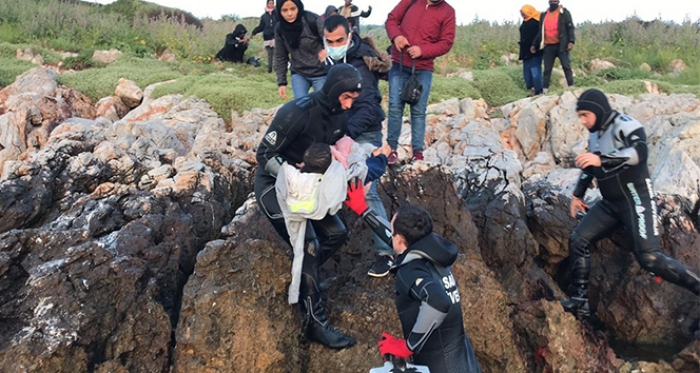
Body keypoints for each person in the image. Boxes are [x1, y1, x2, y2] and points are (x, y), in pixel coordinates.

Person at [562, 88, 700, 317]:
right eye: (580, 116)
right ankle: (579, 301)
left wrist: (601, 158)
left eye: (585, 115)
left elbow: (640, 154)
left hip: (636, 201)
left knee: (650, 258)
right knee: (578, 240)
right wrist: (577, 196)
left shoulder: (626, 125)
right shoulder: (595, 134)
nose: (582, 121)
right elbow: (589, 167)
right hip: (609, 204)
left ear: (598, 111)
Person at [255, 64, 363, 350]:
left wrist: (346, 153)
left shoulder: (341, 112)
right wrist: (294, 177)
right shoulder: (297, 112)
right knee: (311, 245)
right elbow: (263, 153)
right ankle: (316, 323)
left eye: (353, 99)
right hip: (274, 185)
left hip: (309, 187)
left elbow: (338, 141)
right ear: (335, 91)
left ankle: (305, 280)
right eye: (347, 98)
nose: (350, 104)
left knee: (336, 234)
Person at [342, 193, 482, 373]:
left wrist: (407, 346)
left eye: (393, 231)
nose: (391, 235)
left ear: (399, 238)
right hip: (463, 361)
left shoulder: (411, 271)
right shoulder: (434, 253)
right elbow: (393, 239)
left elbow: (438, 301)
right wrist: (364, 210)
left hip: (440, 366)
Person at [322, 15, 395, 277]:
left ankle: (387, 251)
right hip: (341, 132)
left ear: (350, 35)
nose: (334, 44)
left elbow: (367, 107)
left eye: (339, 40)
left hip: (364, 132)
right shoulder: (330, 62)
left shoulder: (360, 64)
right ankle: (320, 244)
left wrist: (347, 137)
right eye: (329, 41)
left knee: (362, 185)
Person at [385, 0, 456, 164]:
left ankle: (417, 152)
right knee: (395, 106)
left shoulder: (448, 11)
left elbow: (446, 43)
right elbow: (391, 20)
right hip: (399, 63)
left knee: (418, 111)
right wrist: (396, 36)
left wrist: (423, 51)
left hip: (423, 68)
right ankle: (391, 150)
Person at [274, 0, 327, 100]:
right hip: (299, 73)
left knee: (322, 106)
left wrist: (327, 50)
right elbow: (280, 56)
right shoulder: (280, 28)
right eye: (285, 10)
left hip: (321, 73)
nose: (289, 14)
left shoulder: (312, 20)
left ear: (299, 7)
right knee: (300, 106)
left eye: (293, 9)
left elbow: (330, 39)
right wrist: (282, 82)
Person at [531, 0, 575, 93]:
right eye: (552, 1)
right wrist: (534, 44)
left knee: (566, 66)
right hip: (548, 46)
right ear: (549, 2)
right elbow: (541, 32)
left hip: (561, 45)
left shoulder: (564, 13)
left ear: (558, 2)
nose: (553, 2)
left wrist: (571, 41)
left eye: (555, 1)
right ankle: (545, 90)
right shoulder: (544, 15)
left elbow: (570, 27)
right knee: (547, 69)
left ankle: (571, 87)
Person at [519, 5, 543, 96]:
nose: (523, 15)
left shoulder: (537, 21)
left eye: (524, 13)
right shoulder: (525, 21)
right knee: (527, 74)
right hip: (525, 51)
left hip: (535, 51)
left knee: (535, 72)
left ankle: (538, 91)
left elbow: (540, 36)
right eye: (522, 14)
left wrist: (535, 45)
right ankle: (532, 90)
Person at [252, 0, 278, 73]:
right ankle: (269, 70)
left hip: (276, 37)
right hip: (267, 37)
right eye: (270, 3)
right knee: (269, 54)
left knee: (276, 53)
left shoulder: (277, 14)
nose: (271, 4)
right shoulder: (264, 16)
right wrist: (254, 32)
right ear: (267, 4)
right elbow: (261, 26)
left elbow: (280, 25)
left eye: (273, 3)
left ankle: (276, 70)